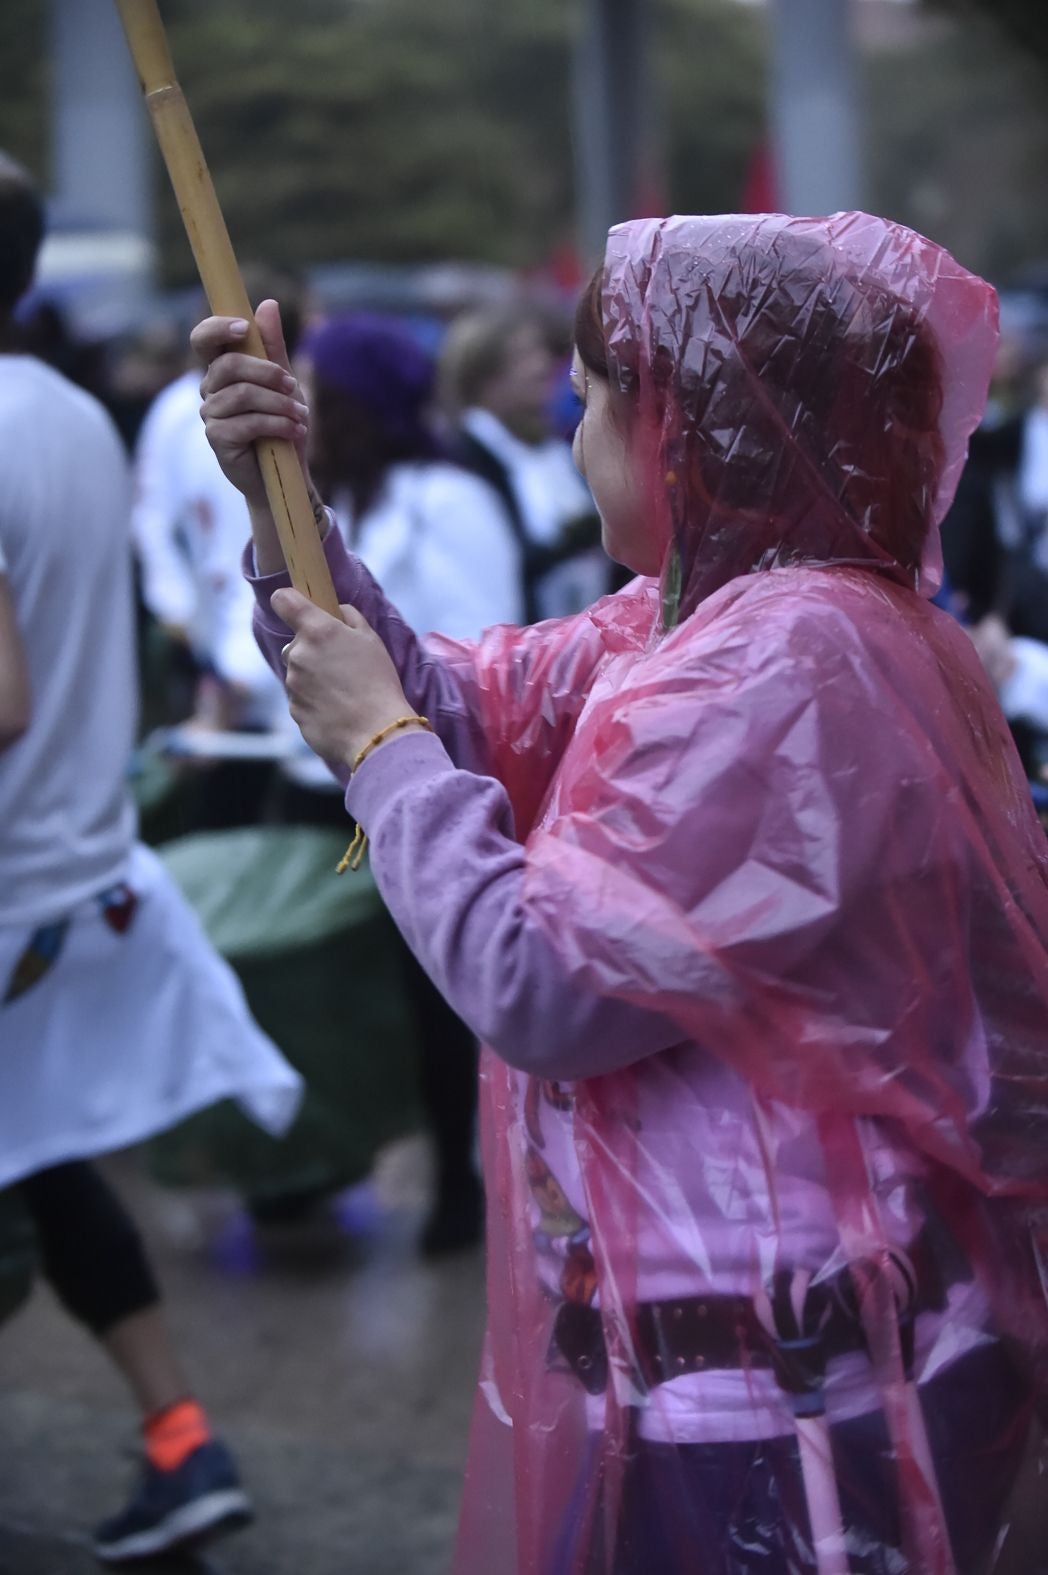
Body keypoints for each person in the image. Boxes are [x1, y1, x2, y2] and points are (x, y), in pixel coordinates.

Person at [196, 213, 1048, 1573]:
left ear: (686, 423)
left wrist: (380, 751)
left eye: (589, 399)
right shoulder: (718, 619)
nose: (571, 430)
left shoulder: (781, 662)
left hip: (781, 1405)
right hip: (756, 1370)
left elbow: (546, 983)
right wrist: (279, 504)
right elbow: (470, 704)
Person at [0, 153, 301, 1563]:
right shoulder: (64, 409)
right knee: (53, 1166)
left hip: (14, 884)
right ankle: (184, 1439)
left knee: (44, 1173)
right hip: (71, 868)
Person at [293, 311, 523, 1250]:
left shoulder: (452, 498)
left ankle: (458, 1190)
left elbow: (476, 656)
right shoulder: (336, 492)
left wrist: (389, 733)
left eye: (317, 384)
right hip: (316, 777)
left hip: (415, 780)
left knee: (436, 998)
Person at [439, 304, 608, 621]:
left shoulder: (550, 446)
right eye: (522, 357)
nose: (542, 367)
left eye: (540, 352)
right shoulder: (465, 458)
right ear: (484, 377)